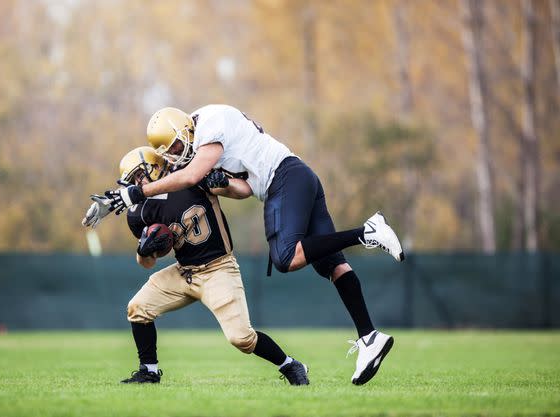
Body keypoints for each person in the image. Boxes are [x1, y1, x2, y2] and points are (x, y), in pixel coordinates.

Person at [102, 105, 405, 385]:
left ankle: (366, 232)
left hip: (281, 181)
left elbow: (193, 174)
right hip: (294, 178)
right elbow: (242, 186)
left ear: (186, 131)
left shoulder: (208, 126)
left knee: (286, 258)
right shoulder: (196, 151)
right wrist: (219, 183)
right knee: (332, 264)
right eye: (169, 153)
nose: (175, 155)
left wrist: (138, 192)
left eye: (177, 147)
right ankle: (369, 337)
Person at [85, 146, 309, 385]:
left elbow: (241, 191)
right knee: (137, 307)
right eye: (132, 180)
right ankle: (149, 370)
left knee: (241, 338)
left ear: (157, 165)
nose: (138, 183)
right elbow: (147, 263)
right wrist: (144, 250)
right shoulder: (138, 212)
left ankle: (290, 365)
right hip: (184, 271)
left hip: (218, 268)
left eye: (140, 175)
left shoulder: (190, 177)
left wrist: (224, 182)